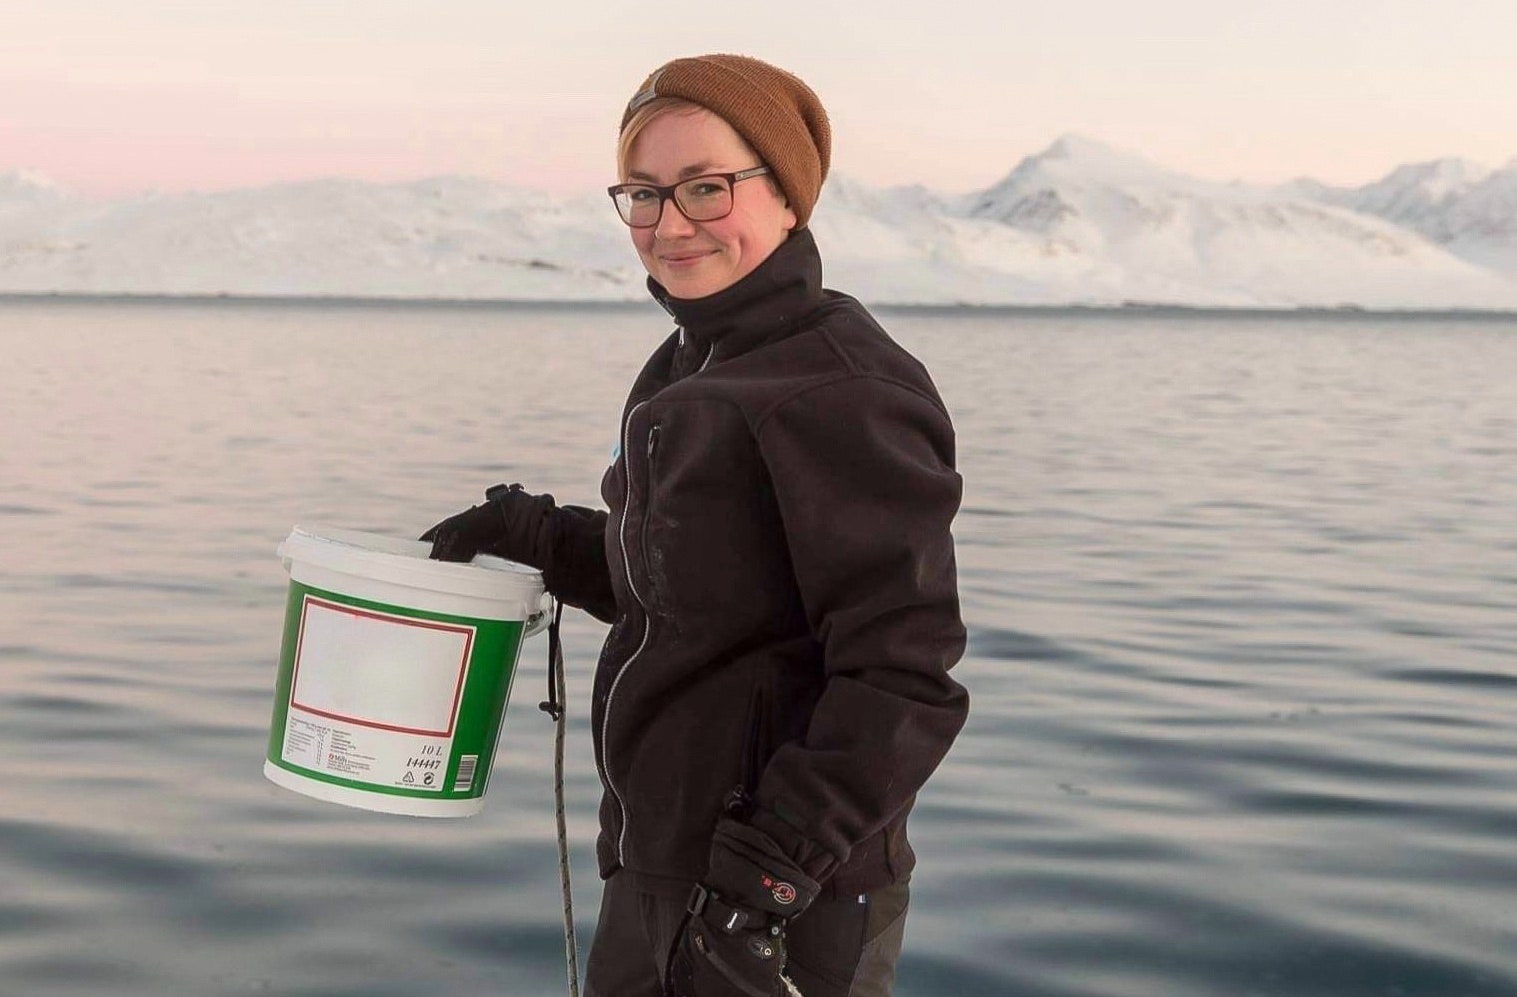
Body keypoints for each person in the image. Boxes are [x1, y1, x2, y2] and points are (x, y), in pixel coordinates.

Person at [421, 53, 968, 997]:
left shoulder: (839, 386)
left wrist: (765, 878)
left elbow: (902, 673)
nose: (670, 224)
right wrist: (541, 537)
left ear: (788, 196)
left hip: (775, 902)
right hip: (663, 865)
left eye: (706, 188)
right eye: (644, 193)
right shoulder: (694, 366)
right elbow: (702, 594)